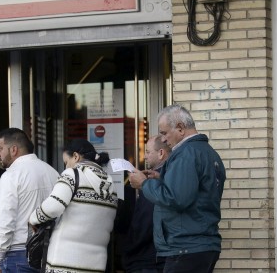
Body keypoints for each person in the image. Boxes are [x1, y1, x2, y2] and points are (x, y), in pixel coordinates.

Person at [129, 104, 226, 272]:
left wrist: (144, 184)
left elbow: (175, 198)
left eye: (164, 133)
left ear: (180, 128)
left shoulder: (185, 153)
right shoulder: (209, 153)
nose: (164, 140)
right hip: (201, 245)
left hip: (185, 247)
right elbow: (196, 192)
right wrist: (162, 179)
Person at [29, 139, 119, 272]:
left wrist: (33, 219)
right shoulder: (110, 185)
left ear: (76, 157)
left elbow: (53, 207)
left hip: (65, 262)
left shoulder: (72, 174)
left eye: (66, 162)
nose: (65, 167)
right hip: (96, 264)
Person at [0, 128, 59, 273]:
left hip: (18, 254)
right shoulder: (52, 172)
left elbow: (6, 220)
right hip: (50, 252)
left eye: (0, 149)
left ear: (14, 150)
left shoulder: (10, 176)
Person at [122, 135, 170, 273]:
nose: (144, 156)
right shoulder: (167, 177)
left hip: (148, 259)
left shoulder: (154, 182)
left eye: (148, 152)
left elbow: (145, 221)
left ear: (161, 153)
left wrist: (130, 248)